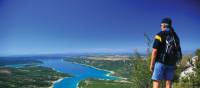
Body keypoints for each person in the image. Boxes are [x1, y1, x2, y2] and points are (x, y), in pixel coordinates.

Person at [150, 17, 182, 88]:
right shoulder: (176, 37)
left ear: (164, 25)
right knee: (168, 82)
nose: (161, 27)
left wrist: (152, 64)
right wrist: (176, 63)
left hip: (160, 62)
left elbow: (154, 51)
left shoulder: (159, 35)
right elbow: (178, 50)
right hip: (172, 63)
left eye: (161, 25)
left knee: (156, 81)